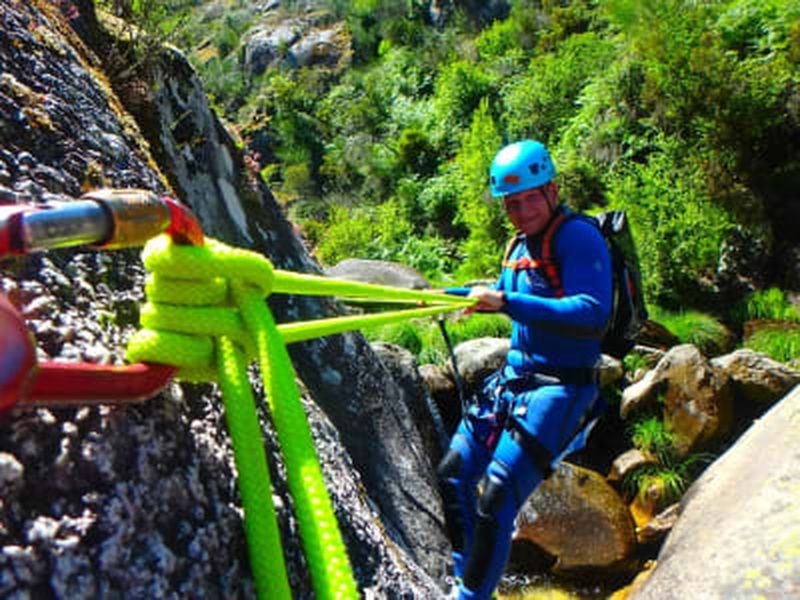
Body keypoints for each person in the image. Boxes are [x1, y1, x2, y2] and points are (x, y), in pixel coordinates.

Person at [438, 140, 613, 599]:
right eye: (510, 203)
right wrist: (444, 296)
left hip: (561, 389)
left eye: (529, 198)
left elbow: (592, 312)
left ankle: (468, 597)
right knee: (453, 473)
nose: (519, 211)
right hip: (513, 384)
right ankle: (468, 578)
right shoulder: (519, 244)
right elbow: (498, 291)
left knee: (497, 495)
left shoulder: (577, 236)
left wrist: (508, 302)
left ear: (551, 190)